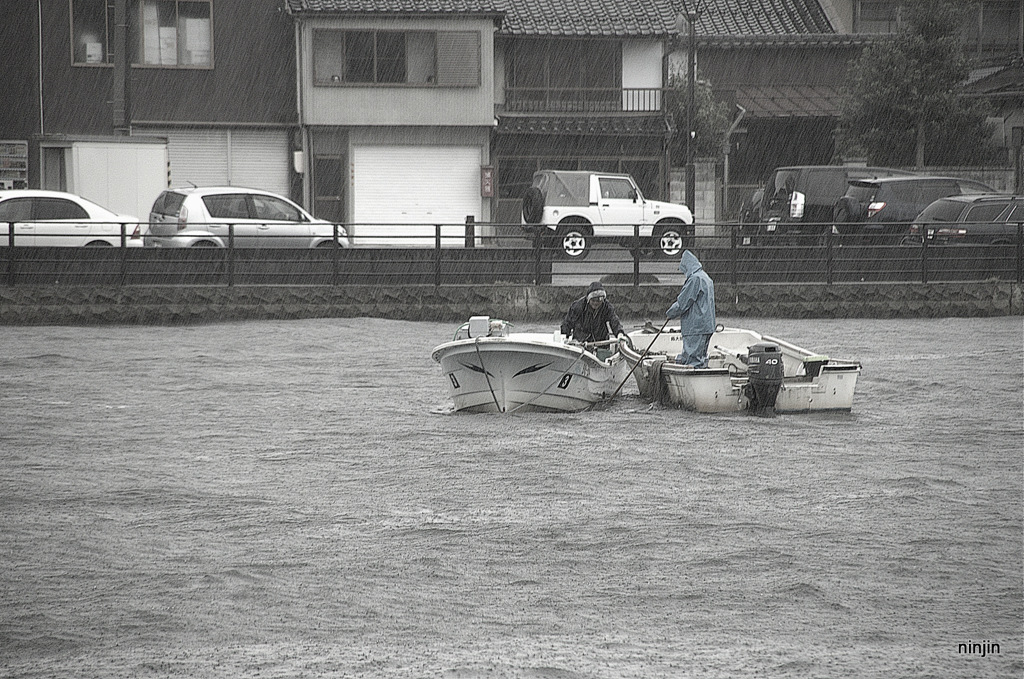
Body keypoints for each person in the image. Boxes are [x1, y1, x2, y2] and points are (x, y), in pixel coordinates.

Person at [666, 250, 716, 367]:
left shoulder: (695, 279)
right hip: (707, 326)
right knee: (701, 358)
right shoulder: (706, 277)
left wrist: (670, 313)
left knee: (693, 361)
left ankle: (693, 383)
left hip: (695, 327)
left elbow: (683, 303)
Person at [561, 281, 624, 347]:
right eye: (593, 300)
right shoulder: (578, 306)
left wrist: (620, 333)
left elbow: (614, 320)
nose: (596, 303)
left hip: (601, 343)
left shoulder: (606, 307)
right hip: (580, 343)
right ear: (588, 299)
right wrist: (565, 337)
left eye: (599, 300)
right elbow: (567, 323)